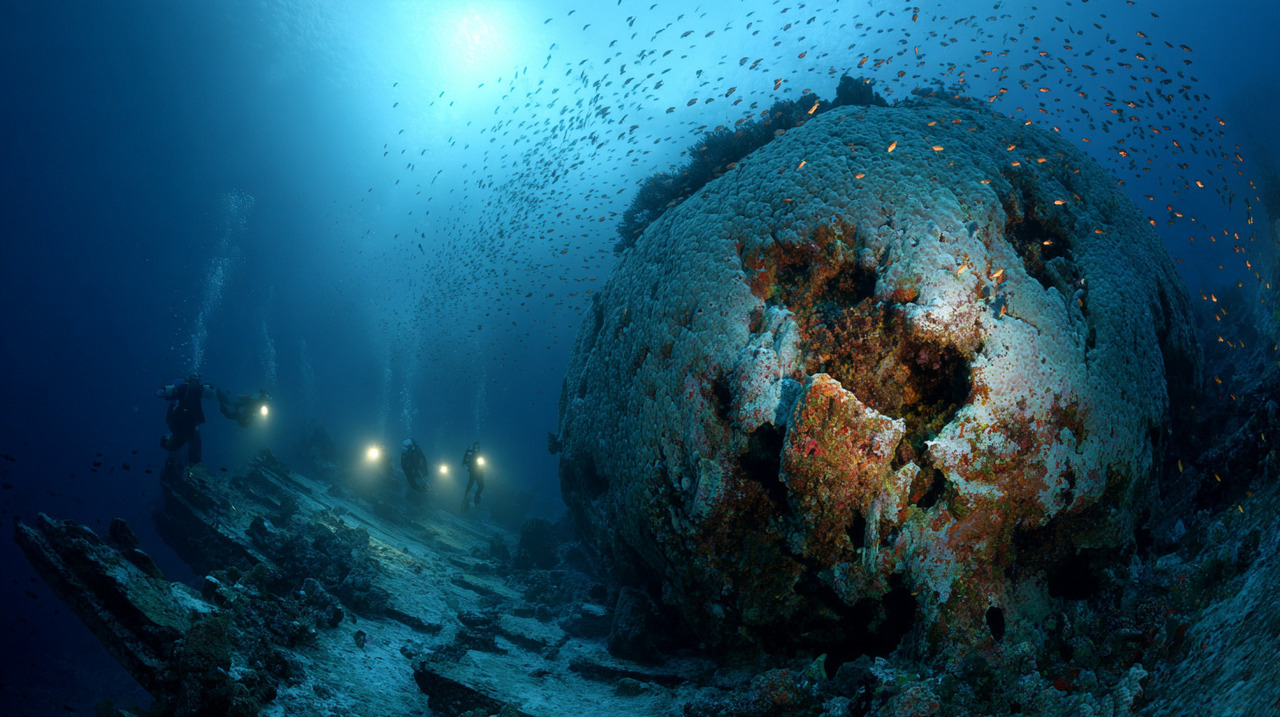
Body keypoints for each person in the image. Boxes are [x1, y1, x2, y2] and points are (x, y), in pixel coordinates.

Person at [156, 374, 212, 465]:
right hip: (186, 425)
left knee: (191, 446)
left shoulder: (194, 389)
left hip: (186, 425)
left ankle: (194, 465)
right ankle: (194, 465)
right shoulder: (189, 389)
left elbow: (167, 395)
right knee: (192, 445)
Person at [461, 441, 485, 511]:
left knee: (480, 485)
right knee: (473, 484)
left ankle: (475, 498)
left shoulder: (478, 454)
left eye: (478, 447)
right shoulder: (472, 454)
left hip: (478, 472)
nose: (477, 449)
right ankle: (469, 497)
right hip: (474, 471)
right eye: (476, 447)